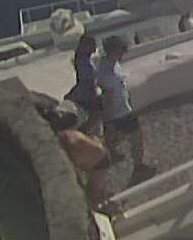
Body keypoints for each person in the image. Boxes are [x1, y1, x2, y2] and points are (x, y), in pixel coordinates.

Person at [96, 36, 155, 182]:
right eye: (121, 50)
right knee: (137, 138)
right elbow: (108, 96)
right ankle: (138, 167)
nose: (123, 54)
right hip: (120, 112)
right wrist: (108, 119)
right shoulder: (106, 73)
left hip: (121, 109)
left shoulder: (111, 65)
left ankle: (111, 152)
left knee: (116, 136)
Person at [65, 35, 102, 132]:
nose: (94, 49)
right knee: (95, 114)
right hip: (87, 94)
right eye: (92, 46)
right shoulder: (83, 60)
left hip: (86, 91)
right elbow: (87, 80)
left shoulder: (83, 58)